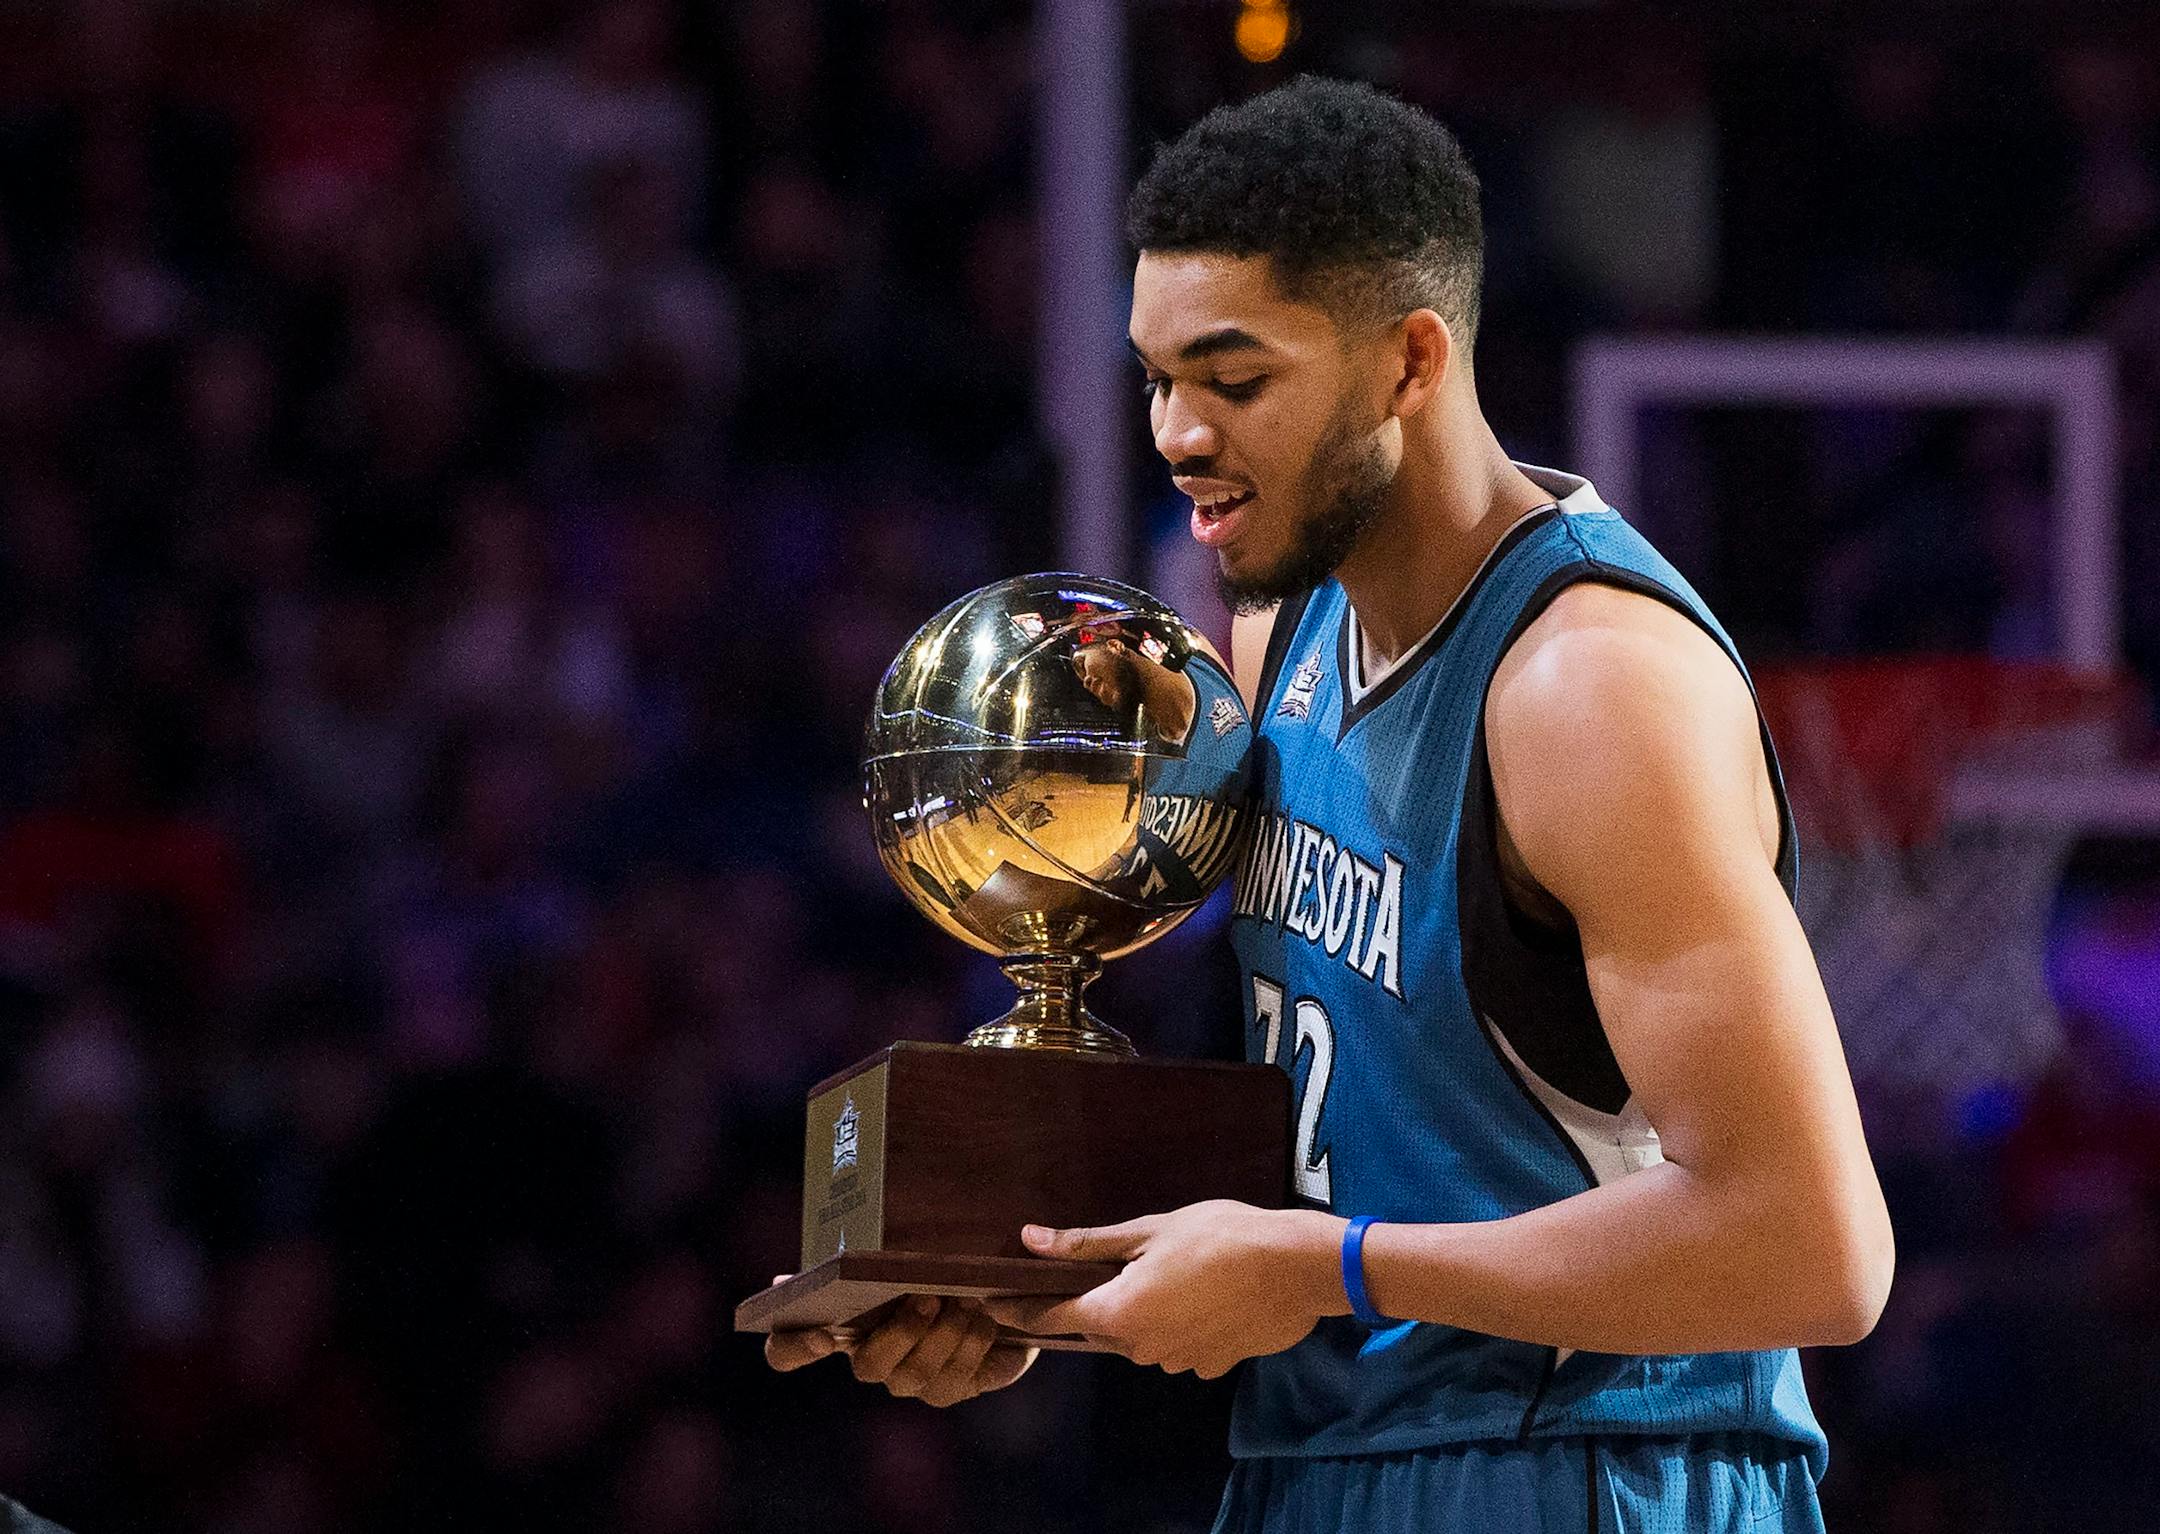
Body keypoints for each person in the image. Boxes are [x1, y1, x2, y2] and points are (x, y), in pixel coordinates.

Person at [768, 76, 1893, 1531]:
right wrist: (1030, 1287)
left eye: (1233, 381)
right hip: (1316, 1457)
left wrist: (1329, 1269)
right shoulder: (1275, 630)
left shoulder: (1589, 687)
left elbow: (1812, 1245)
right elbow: (1343, 1138)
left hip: (1585, 1463)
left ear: (1409, 363)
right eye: (1156, 376)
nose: (1175, 431)